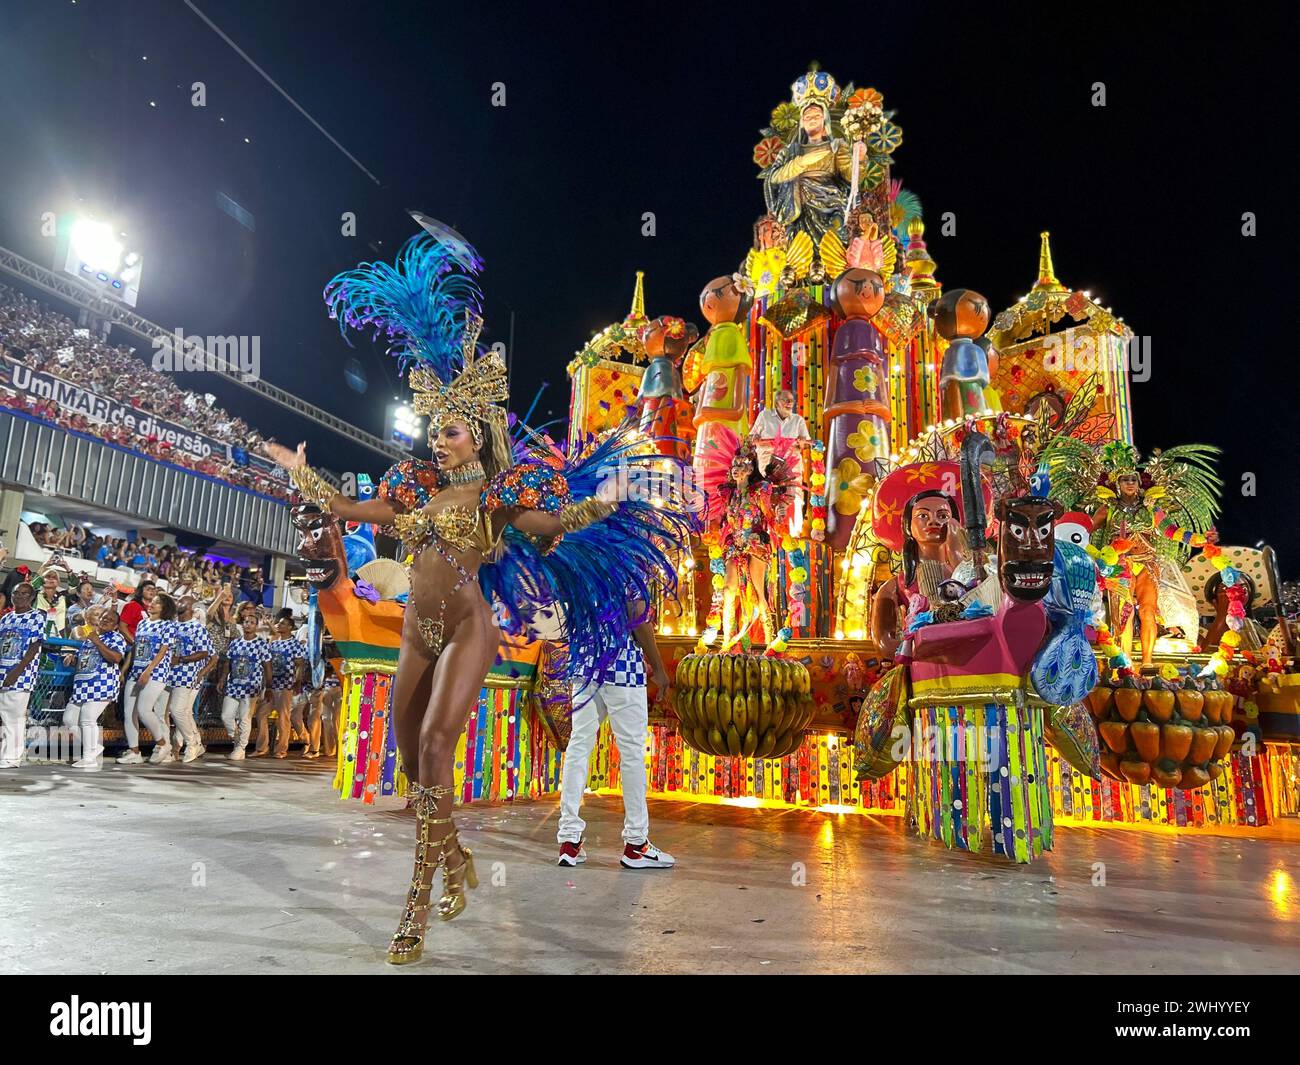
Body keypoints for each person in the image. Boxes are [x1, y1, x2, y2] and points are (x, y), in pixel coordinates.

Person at [265, 230, 693, 964]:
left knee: (436, 743)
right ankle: (455, 853)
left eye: (450, 429)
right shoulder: (412, 489)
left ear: (478, 433)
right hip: (415, 631)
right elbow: (345, 509)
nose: (438, 439)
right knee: (409, 758)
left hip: (469, 626)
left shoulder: (499, 493)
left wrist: (608, 501)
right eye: (434, 428)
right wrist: (299, 473)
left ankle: (418, 901)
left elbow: (552, 525)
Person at [558, 597, 676, 869]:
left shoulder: (579, 557)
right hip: (622, 667)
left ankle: (569, 841)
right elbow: (636, 613)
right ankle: (636, 844)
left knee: (578, 748)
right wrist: (658, 667)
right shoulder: (627, 558)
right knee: (632, 754)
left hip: (585, 666)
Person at [60, 605, 127, 769]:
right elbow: (84, 659)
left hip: (102, 684)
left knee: (88, 718)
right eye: (103, 617)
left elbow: (116, 658)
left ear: (115, 626)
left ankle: (89, 757)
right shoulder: (91, 637)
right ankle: (94, 747)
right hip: (82, 685)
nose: (105, 620)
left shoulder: (116, 637)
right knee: (69, 719)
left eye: (110, 620)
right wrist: (72, 658)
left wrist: (98, 643)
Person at [116, 592, 178, 765]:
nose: (152, 604)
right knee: (129, 713)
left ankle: (163, 744)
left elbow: (163, 650)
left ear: (165, 608)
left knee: (144, 710)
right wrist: (125, 669)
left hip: (156, 672)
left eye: (157, 603)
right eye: (152, 601)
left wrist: (149, 670)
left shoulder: (168, 626)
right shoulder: (143, 623)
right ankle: (134, 752)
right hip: (136, 671)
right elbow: (136, 648)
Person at [0, 583, 46, 768]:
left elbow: (34, 647)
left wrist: (17, 672)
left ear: (32, 597)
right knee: (5, 716)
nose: (19, 596)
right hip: (3, 671)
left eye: (24, 594)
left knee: (14, 717)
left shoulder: (36, 616)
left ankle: (13, 757)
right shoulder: (6, 618)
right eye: (16, 593)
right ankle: (6, 753)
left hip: (21, 675)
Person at [166, 595, 215, 763]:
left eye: (182, 601)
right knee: (182, 712)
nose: (178, 603)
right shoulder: (172, 625)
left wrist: (181, 660)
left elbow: (205, 653)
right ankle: (184, 745)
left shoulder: (197, 628)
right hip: (169, 674)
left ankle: (192, 743)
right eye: (177, 600)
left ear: (191, 608)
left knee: (177, 710)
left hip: (187, 674)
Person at [218, 608, 272, 759]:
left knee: (245, 718)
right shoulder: (235, 643)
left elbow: (268, 666)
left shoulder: (261, 644)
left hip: (251, 688)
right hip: (233, 685)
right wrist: (223, 678)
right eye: (246, 622)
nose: (248, 625)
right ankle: (237, 739)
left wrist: (268, 687)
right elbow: (227, 662)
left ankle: (241, 748)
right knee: (226, 716)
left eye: (252, 623)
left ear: (256, 626)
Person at [264, 616, 308, 758]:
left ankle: (281, 749)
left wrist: (298, 681)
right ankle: (262, 747)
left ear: (290, 627)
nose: (278, 625)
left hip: (286, 685)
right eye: (279, 623)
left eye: (282, 623)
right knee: (261, 714)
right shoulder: (274, 644)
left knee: (283, 717)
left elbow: (300, 664)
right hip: (272, 685)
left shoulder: (295, 644)